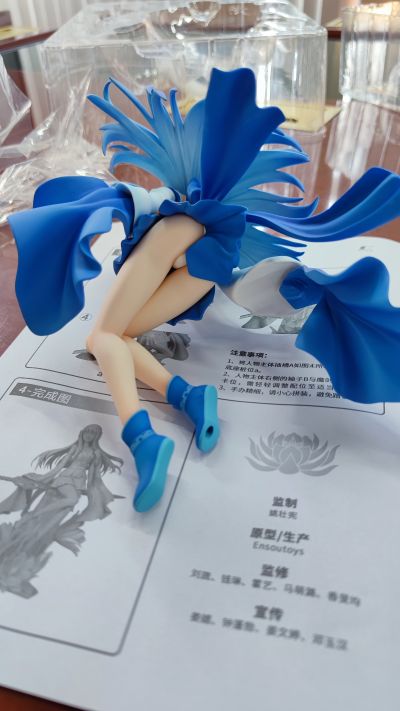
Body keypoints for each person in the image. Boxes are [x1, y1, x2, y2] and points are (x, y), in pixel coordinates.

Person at [8, 68, 400, 513]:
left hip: (176, 240)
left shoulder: (174, 211)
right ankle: (189, 397)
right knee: (119, 337)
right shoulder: (207, 220)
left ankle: (143, 438)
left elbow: (160, 237)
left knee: (101, 337)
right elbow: (183, 261)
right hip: (207, 269)